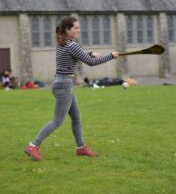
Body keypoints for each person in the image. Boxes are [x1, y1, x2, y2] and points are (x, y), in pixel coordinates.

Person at [24, 16, 119, 160]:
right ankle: (33, 145)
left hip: (61, 83)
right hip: (64, 85)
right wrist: (110, 56)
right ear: (67, 29)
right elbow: (90, 63)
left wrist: (90, 53)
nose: (78, 31)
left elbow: (78, 55)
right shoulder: (71, 45)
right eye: (76, 28)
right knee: (57, 121)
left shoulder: (63, 43)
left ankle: (81, 147)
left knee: (76, 117)